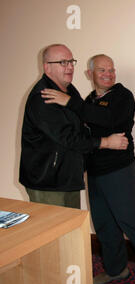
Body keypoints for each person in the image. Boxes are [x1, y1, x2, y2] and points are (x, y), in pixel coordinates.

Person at [41, 54, 135, 284]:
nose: (108, 74)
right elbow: (84, 133)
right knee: (104, 224)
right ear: (89, 74)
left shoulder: (123, 96)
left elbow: (110, 119)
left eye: (111, 69)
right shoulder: (89, 100)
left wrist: (70, 102)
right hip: (94, 172)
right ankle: (116, 269)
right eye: (102, 70)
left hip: (118, 170)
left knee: (130, 220)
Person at [19, 44, 128, 209]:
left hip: (66, 177)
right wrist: (106, 142)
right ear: (47, 67)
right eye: (63, 62)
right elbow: (68, 138)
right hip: (48, 182)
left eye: (71, 61)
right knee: (54, 232)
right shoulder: (43, 97)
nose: (70, 67)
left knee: (71, 231)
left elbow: (81, 124)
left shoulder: (69, 90)